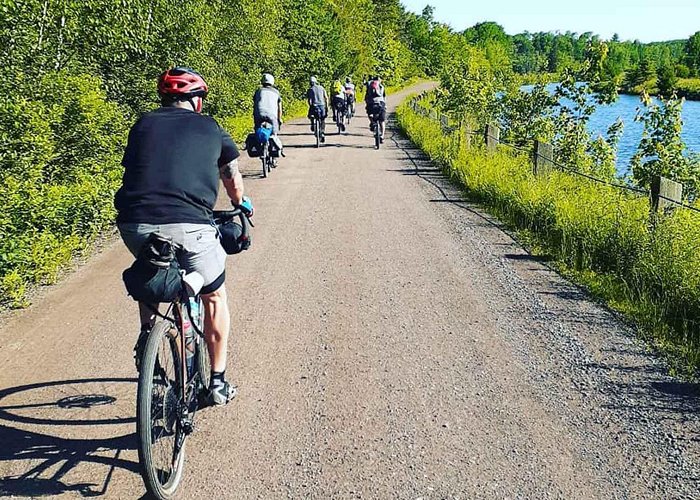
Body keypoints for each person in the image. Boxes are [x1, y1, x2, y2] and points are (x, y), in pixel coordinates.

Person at [115, 67, 248, 406]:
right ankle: (217, 382)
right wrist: (240, 203)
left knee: (152, 268)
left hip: (136, 224)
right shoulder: (211, 128)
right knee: (214, 296)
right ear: (197, 101)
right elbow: (231, 174)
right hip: (192, 227)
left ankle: (148, 338)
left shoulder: (142, 125)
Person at [365, 75, 387, 142]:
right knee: (382, 121)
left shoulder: (369, 86)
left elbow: (366, 97)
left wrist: (367, 103)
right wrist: (385, 105)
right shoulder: (381, 87)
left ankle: (372, 122)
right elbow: (384, 97)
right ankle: (382, 136)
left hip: (371, 103)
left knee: (369, 113)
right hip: (381, 103)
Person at [307, 76, 328, 142]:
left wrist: (310, 105)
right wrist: (326, 106)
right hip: (322, 106)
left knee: (310, 115)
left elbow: (309, 100)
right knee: (323, 119)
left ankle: (312, 124)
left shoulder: (310, 89)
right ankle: (322, 132)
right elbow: (326, 98)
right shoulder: (321, 88)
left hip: (314, 106)